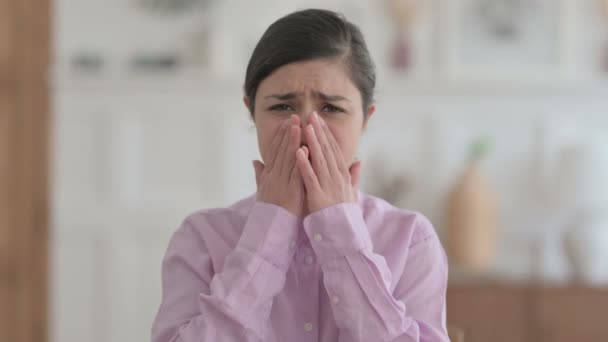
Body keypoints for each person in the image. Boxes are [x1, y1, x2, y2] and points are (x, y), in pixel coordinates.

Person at [152, 8, 449, 342]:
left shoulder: (411, 240)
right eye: (282, 107)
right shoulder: (201, 239)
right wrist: (270, 227)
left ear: (365, 119)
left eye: (332, 108)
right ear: (252, 112)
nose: (308, 128)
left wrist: (340, 227)